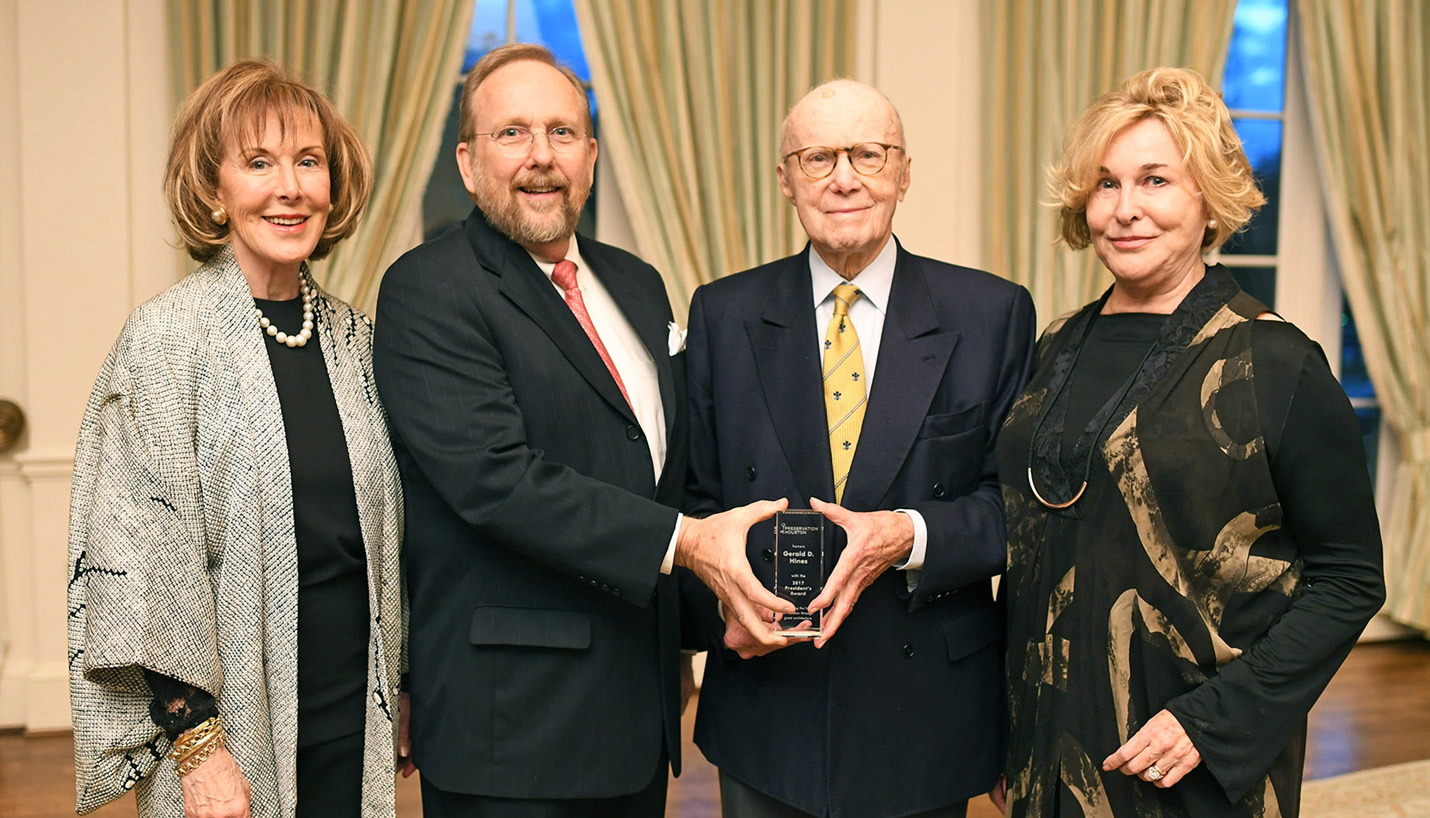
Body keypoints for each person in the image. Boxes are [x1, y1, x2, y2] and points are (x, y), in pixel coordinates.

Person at [371, 43, 792, 818]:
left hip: (636, 717)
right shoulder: (428, 289)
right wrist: (693, 545)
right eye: (513, 134)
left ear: (591, 157)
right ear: (467, 163)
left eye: (563, 133)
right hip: (512, 731)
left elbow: (662, 466)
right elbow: (497, 481)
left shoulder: (637, 283)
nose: (541, 157)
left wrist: (721, 608)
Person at [994, 67, 1386, 818]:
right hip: (1049, 747)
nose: (1125, 209)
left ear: (1207, 197)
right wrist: (1009, 729)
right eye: (1106, 184)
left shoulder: (1277, 363)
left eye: (1154, 181)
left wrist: (1210, 723)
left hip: (1192, 756)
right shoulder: (1056, 344)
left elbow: (1349, 581)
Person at [682, 79, 1037, 818]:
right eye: (818, 157)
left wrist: (909, 533)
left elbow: (1018, 510)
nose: (844, 177)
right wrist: (725, 608)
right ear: (785, 179)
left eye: (868, 154)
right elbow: (695, 499)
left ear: (904, 172)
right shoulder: (723, 313)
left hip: (925, 712)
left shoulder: (992, 312)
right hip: (766, 707)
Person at [67, 59, 405, 818]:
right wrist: (197, 747)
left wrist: (401, 685)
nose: (289, 187)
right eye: (259, 163)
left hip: (352, 713)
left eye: (307, 162)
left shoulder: (358, 342)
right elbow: (141, 557)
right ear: (215, 190)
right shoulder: (165, 338)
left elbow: (386, 548)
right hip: (227, 732)